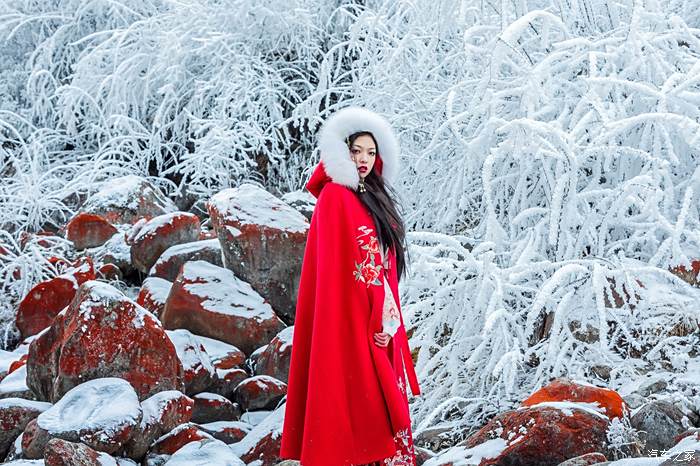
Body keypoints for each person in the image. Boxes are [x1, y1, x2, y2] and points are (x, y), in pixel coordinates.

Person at [279, 106, 421, 466]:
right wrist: (373, 318)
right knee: (359, 396)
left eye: (371, 153)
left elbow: (382, 266)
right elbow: (339, 273)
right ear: (342, 150)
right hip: (352, 320)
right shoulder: (335, 198)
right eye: (356, 151)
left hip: (377, 318)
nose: (363, 159)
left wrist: (387, 321)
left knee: (376, 399)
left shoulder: (372, 197)